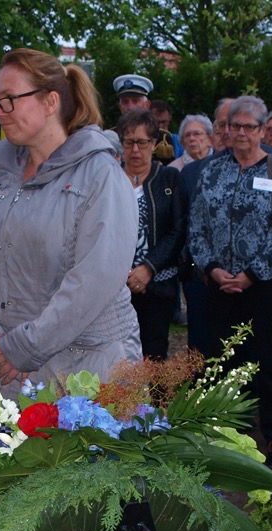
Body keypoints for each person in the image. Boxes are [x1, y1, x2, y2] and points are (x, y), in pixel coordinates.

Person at [0, 48, 140, 399]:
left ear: (50, 101)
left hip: (86, 377)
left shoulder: (101, 175)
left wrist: (22, 347)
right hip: (3, 372)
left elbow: (94, 279)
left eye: (9, 100)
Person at [189, 95, 272, 467]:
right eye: (235, 126)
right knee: (225, 363)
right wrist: (212, 268)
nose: (241, 133)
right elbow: (196, 229)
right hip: (219, 285)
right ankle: (229, 436)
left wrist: (250, 275)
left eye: (249, 127)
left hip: (264, 285)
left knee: (268, 363)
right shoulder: (211, 171)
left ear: (264, 130)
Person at [117, 109, 186, 360]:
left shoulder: (169, 178)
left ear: (154, 144)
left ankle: (155, 402)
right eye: (129, 142)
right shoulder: (109, 178)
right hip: (115, 287)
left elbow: (178, 230)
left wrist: (148, 268)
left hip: (158, 286)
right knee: (117, 359)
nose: (135, 150)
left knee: (153, 356)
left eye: (142, 142)